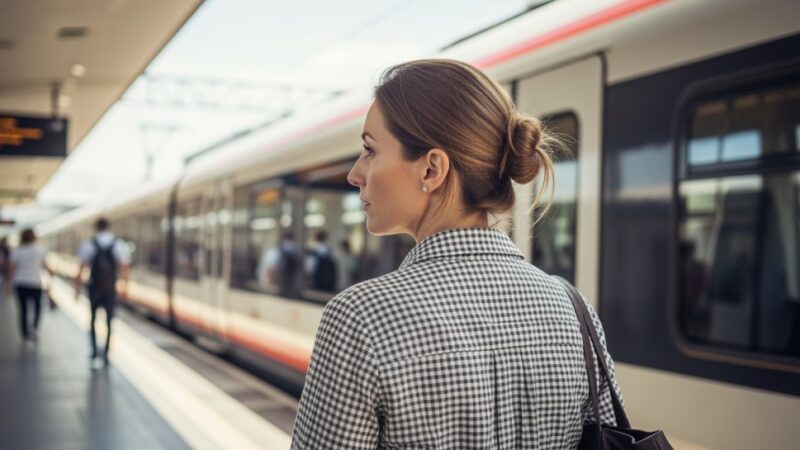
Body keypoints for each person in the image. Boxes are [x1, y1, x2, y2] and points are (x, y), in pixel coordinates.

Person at [291, 60, 624, 449]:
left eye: (369, 150)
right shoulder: (575, 311)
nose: (354, 173)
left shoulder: (359, 319)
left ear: (432, 170)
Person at [74, 217, 130, 365]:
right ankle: (106, 354)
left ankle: (93, 351)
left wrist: (77, 289)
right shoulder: (118, 244)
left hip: (94, 288)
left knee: (92, 320)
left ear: (96, 227)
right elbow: (124, 267)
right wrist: (125, 287)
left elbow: (82, 268)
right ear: (109, 227)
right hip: (110, 289)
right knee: (109, 322)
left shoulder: (89, 244)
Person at [7, 229, 51, 342]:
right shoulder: (40, 250)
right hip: (35, 282)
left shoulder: (18, 250)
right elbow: (46, 266)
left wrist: (8, 283)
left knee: (23, 309)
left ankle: (24, 334)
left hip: (20, 283)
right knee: (37, 308)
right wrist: (50, 278)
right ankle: (35, 328)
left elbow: (12, 268)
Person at [257, 231, 300, 297]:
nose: (288, 243)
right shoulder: (276, 252)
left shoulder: (294, 253)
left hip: (288, 287)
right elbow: (270, 269)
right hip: (276, 285)